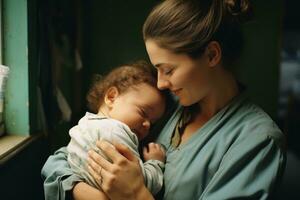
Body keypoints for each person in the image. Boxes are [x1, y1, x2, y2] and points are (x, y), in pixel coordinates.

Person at [42, 0, 286, 199]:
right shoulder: (164, 108)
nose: (160, 83)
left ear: (211, 55)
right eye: (157, 69)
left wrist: (136, 194)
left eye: (168, 70)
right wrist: (89, 194)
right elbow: (61, 159)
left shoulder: (257, 141)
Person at [42, 62, 166, 200]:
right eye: (143, 112)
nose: (147, 125)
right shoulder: (117, 132)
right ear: (111, 97)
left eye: (153, 123)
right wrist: (156, 163)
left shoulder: (82, 125)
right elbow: (140, 185)